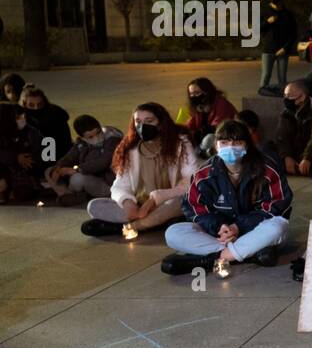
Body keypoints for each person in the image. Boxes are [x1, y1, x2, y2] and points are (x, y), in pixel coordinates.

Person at [161, 118, 292, 274]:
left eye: (236, 143)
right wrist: (220, 226)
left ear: (247, 145)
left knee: (277, 227)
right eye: (224, 143)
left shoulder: (267, 170)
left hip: (254, 232)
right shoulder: (204, 174)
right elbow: (194, 208)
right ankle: (247, 254)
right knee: (173, 233)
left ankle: (210, 259)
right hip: (221, 235)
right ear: (216, 146)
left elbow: (276, 207)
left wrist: (238, 227)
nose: (230, 147)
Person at [82, 103, 198, 237]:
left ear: (161, 123)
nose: (142, 126)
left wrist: (155, 199)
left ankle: (130, 227)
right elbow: (120, 184)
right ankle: (155, 223)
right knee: (94, 206)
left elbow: (191, 181)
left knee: (182, 202)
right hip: (140, 206)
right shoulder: (129, 147)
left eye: (149, 121)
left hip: (168, 201)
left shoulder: (180, 144)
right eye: (138, 122)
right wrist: (127, 202)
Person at [45, 115, 123, 206]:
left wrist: (77, 169)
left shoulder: (113, 141)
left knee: (77, 178)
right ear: (83, 138)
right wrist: (58, 168)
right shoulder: (81, 144)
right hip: (89, 177)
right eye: (90, 137)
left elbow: (103, 162)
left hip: (109, 184)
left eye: (98, 133)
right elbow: (69, 157)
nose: (96, 137)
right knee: (49, 171)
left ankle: (70, 194)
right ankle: (66, 193)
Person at [0, 102, 45, 204]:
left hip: (23, 173)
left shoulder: (31, 133)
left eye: (23, 116)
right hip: (4, 171)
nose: (22, 119)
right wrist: (15, 156)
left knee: (21, 193)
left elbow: (41, 152)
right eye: (18, 117)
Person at [257, 0, 298, 96]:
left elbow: (293, 33)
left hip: (282, 51)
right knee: (265, 76)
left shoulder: (287, 14)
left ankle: (283, 98)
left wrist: (285, 48)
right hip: (268, 49)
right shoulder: (265, 12)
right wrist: (267, 22)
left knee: (282, 78)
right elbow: (257, 29)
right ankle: (261, 98)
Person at [18, 84, 72, 163]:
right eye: (31, 105)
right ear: (24, 105)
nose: (36, 108)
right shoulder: (20, 119)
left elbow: (64, 144)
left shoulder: (57, 118)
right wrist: (18, 156)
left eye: (39, 104)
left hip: (54, 160)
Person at [184, 77, 238, 157]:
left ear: (207, 92)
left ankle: (202, 154)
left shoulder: (221, 104)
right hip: (206, 139)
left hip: (226, 137)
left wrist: (199, 133)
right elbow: (190, 124)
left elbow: (219, 127)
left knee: (209, 138)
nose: (194, 96)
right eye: (191, 94)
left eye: (197, 93)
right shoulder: (199, 106)